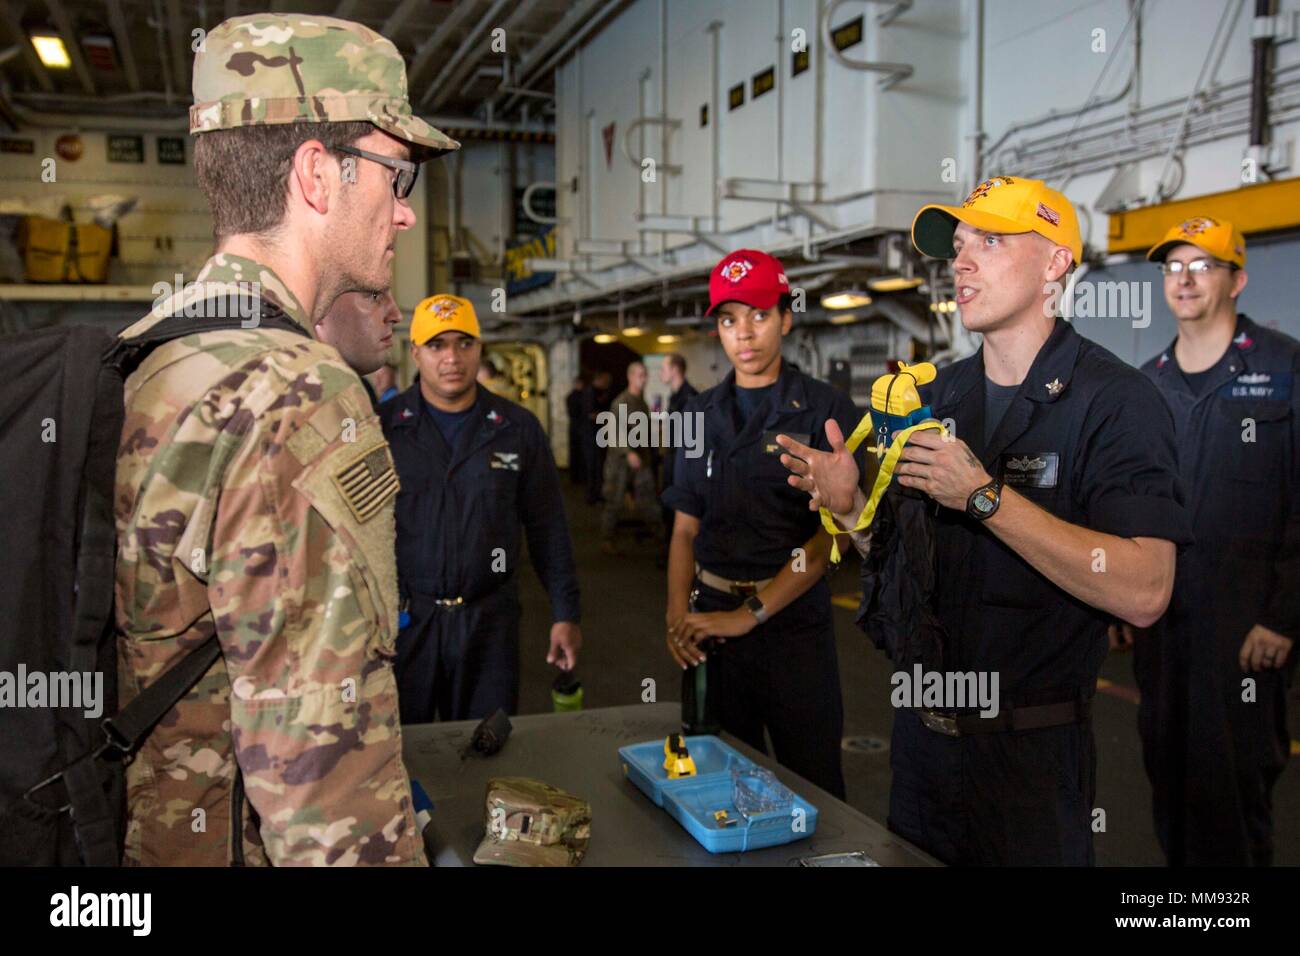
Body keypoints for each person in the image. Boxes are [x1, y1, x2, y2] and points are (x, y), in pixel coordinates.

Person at [113, 13, 458, 866]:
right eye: (396, 174)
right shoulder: (297, 393)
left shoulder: (151, 350)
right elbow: (326, 787)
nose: (404, 213)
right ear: (316, 174)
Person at [778, 176, 1192, 864]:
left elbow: (1147, 589)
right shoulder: (937, 396)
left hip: (1029, 762)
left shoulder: (1116, 401)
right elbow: (904, 562)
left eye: (990, 242)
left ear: (1056, 262)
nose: (961, 261)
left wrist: (985, 498)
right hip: (919, 756)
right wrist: (851, 508)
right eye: (960, 245)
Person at [1128, 216, 1298, 866]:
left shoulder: (1283, 368)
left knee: (1234, 796)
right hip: (1162, 630)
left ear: (1238, 279)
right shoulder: (1147, 382)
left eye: (1203, 264)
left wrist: (1283, 616)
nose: (1185, 278)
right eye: (1174, 267)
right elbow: (1135, 499)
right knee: (1167, 782)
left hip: (1245, 635)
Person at [663, 249, 863, 799]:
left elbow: (830, 536)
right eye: (729, 319)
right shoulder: (698, 415)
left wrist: (751, 613)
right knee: (717, 789)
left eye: (758, 314)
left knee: (814, 787)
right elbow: (684, 526)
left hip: (792, 631)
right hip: (711, 630)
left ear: (785, 318)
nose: (743, 334)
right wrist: (677, 611)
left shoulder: (824, 411)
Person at [381, 294, 582, 723]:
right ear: (415, 352)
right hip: (408, 623)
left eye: (464, 343)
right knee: (403, 754)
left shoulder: (517, 429)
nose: (452, 357)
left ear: (479, 348)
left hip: (490, 625)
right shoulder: (385, 429)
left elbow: (548, 528)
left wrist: (565, 612)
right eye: (437, 345)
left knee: (487, 751)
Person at [601, 361, 665, 554]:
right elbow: (613, 433)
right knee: (614, 500)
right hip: (620, 461)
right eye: (640, 375)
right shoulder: (622, 402)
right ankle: (607, 539)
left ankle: (663, 540)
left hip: (640, 459)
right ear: (630, 377)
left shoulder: (641, 402)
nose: (644, 379)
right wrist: (628, 452)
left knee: (648, 499)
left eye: (645, 375)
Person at [315, 289, 400, 409]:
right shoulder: (296, 391)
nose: (397, 316)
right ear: (321, 308)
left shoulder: (359, 389)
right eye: (374, 296)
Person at [659, 354, 697, 562]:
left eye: (664, 368)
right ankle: (670, 553)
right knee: (668, 507)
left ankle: (678, 558)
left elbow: (693, 441)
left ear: (675, 369)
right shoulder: (674, 397)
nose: (661, 373)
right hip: (672, 458)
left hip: (682, 464)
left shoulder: (689, 398)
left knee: (679, 511)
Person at [582, 370, 613, 504]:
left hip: (596, 435)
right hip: (591, 436)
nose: (608, 384)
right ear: (599, 379)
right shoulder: (590, 393)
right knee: (593, 467)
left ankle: (596, 494)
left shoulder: (598, 393)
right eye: (606, 381)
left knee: (597, 467)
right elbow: (591, 415)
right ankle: (592, 496)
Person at [566, 374, 587, 485]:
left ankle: (576, 477)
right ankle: (576, 477)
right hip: (578, 427)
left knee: (576, 453)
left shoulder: (571, 396)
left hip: (575, 427)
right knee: (577, 453)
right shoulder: (580, 397)